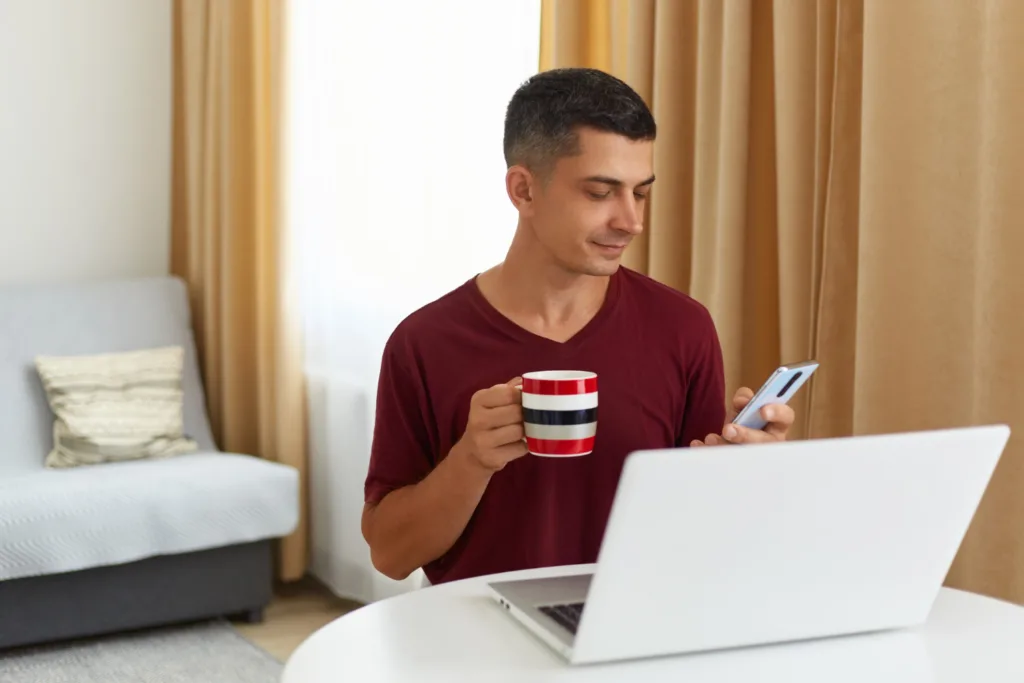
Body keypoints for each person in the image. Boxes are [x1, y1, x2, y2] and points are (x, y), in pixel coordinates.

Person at [361, 67, 796, 585]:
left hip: (635, 631)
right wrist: (471, 461)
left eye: (640, 193)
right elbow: (390, 555)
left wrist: (751, 477)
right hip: (479, 647)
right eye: (600, 192)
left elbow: (703, 532)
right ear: (523, 191)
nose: (631, 221)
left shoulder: (683, 328)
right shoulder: (425, 344)